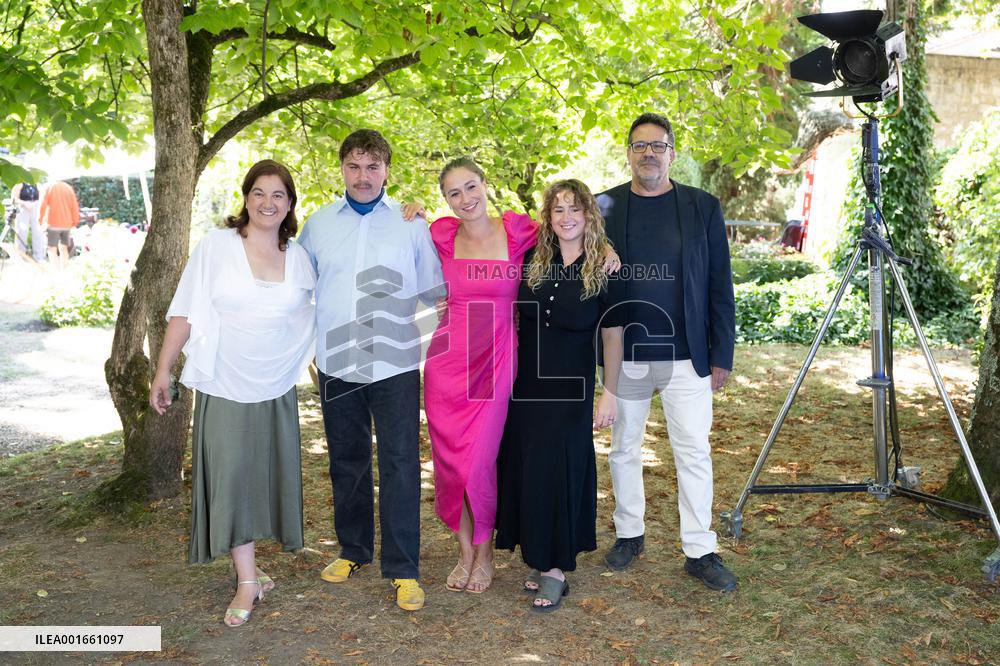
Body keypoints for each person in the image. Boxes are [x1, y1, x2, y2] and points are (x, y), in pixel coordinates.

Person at [149, 159, 316, 626]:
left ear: (289, 204)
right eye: (259, 192)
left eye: (278, 195)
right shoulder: (217, 247)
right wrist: (164, 370)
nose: (268, 202)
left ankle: (252, 569)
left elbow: (315, 318)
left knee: (262, 477)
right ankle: (247, 580)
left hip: (275, 384)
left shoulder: (299, 256)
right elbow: (184, 312)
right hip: (224, 382)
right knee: (231, 476)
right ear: (246, 198)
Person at [298, 129, 445, 612]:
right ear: (342, 169)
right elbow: (297, 291)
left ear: (387, 170)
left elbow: (434, 291)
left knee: (401, 463)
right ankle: (353, 550)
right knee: (347, 459)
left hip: (396, 362)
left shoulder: (410, 225)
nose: (363, 176)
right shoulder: (317, 226)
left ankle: (403, 568)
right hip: (338, 362)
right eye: (354, 166)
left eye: (373, 166)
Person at [597, 112, 738, 592]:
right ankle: (629, 533)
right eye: (640, 146)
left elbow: (721, 283)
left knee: (693, 451)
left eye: (658, 145)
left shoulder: (702, 206)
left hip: (687, 355)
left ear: (672, 153)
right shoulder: (604, 207)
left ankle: (700, 550)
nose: (649, 153)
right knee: (624, 448)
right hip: (627, 353)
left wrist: (722, 354)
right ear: (629, 153)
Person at [495, 179, 624, 612]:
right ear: (548, 217)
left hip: (570, 388)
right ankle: (538, 556)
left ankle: (556, 570)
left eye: (575, 209)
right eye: (558, 210)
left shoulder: (603, 266)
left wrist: (611, 392)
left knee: (560, 469)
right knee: (529, 466)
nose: (566, 217)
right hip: (525, 385)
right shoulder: (534, 257)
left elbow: (612, 334)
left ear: (588, 214)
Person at [423, 158, 537, 594]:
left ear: (485, 185)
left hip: (495, 361)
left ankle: (485, 549)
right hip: (447, 364)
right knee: (451, 465)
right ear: (445, 201)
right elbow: (401, 243)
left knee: (480, 462)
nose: (465, 199)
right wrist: (410, 210)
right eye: (454, 193)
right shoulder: (440, 234)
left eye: (471, 187)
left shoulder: (518, 229)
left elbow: (574, 227)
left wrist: (606, 250)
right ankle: (464, 552)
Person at [39, 180, 80, 269]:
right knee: (63, 248)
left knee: (52, 249)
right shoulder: (68, 188)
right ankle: (64, 270)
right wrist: (75, 221)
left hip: (53, 223)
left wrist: (40, 221)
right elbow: (74, 206)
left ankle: (55, 271)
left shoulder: (48, 187)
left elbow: (42, 205)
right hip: (66, 223)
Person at [11, 182, 45, 262]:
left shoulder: (37, 184)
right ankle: (20, 257)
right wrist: (25, 203)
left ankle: (38, 257)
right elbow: (14, 198)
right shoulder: (19, 184)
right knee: (21, 232)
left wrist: (36, 204)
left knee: (38, 233)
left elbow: (42, 197)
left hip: (35, 208)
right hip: (23, 209)